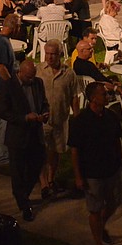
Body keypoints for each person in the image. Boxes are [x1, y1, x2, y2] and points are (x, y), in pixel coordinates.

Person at [69, 81, 122, 245]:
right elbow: (75, 150)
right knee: (94, 209)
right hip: (92, 173)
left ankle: (101, 225)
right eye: (104, 94)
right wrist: (78, 176)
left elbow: (118, 139)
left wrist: (121, 158)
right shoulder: (81, 121)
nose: (107, 97)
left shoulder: (111, 116)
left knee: (114, 201)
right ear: (93, 98)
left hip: (112, 168)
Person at [0, 59, 49, 222]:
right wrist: (24, 118)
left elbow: (44, 103)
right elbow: (3, 112)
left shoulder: (38, 83)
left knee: (37, 164)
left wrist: (45, 113)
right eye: (28, 77)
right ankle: (24, 205)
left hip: (35, 133)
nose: (31, 80)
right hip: (18, 136)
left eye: (33, 77)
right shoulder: (8, 86)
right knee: (18, 172)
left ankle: (23, 196)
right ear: (20, 72)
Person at [37, 40, 80, 200]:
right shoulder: (39, 71)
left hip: (61, 120)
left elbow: (74, 98)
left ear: (60, 54)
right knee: (41, 152)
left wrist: (77, 118)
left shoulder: (69, 74)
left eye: (53, 54)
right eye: (47, 53)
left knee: (55, 152)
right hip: (42, 120)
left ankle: (51, 179)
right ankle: (43, 185)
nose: (49, 57)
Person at [0, 13, 21, 166]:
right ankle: (2, 155)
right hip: (4, 88)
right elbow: (1, 67)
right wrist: (11, 85)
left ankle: (6, 153)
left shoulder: (0, 39)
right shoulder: (2, 42)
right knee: (5, 121)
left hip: (3, 87)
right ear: (14, 26)